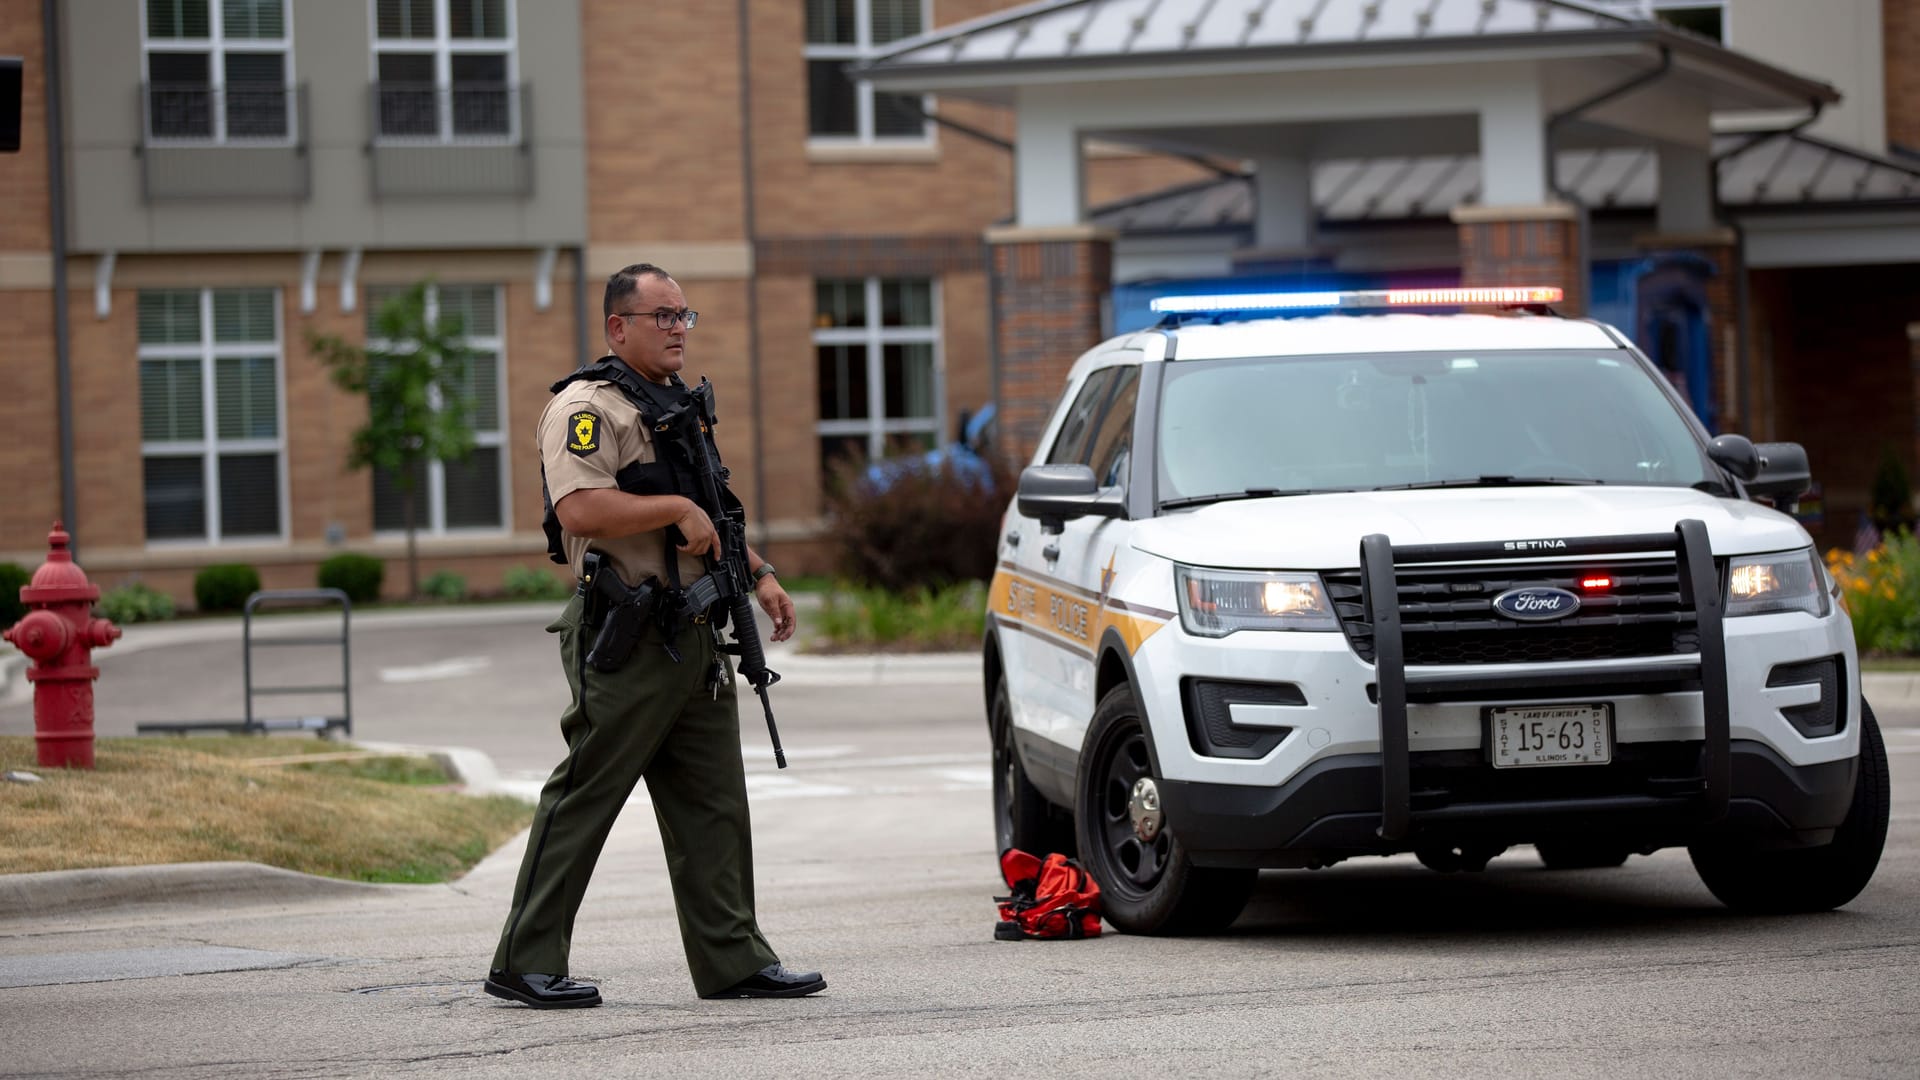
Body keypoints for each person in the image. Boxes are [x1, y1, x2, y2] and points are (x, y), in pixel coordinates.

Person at [484, 263, 819, 1009]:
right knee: (585, 799)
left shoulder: (674, 405)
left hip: (696, 629)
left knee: (713, 804)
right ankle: (524, 958)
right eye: (661, 316)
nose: (676, 328)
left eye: (683, 315)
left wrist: (759, 574)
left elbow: (712, 512)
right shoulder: (586, 407)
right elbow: (580, 508)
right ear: (618, 327)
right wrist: (670, 511)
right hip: (628, 634)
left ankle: (733, 959)